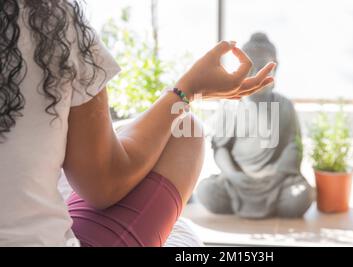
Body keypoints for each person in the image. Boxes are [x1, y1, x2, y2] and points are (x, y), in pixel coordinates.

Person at [0, 0, 275, 247]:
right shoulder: (52, 22)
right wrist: (187, 90)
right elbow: (102, 187)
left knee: (130, 132)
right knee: (184, 131)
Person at [197, 33, 313, 219]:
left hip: (276, 180)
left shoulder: (284, 106)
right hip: (238, 180)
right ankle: (238, 190)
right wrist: (233, 174)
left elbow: (294, 146)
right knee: (206, 191)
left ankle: (276, 197)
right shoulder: (231, 105)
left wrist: (277, 174)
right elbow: (220, 147)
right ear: (242, 70)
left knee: (300, 196)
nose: (257, 75)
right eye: (252, 69)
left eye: (263, 68)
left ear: (275, 69)